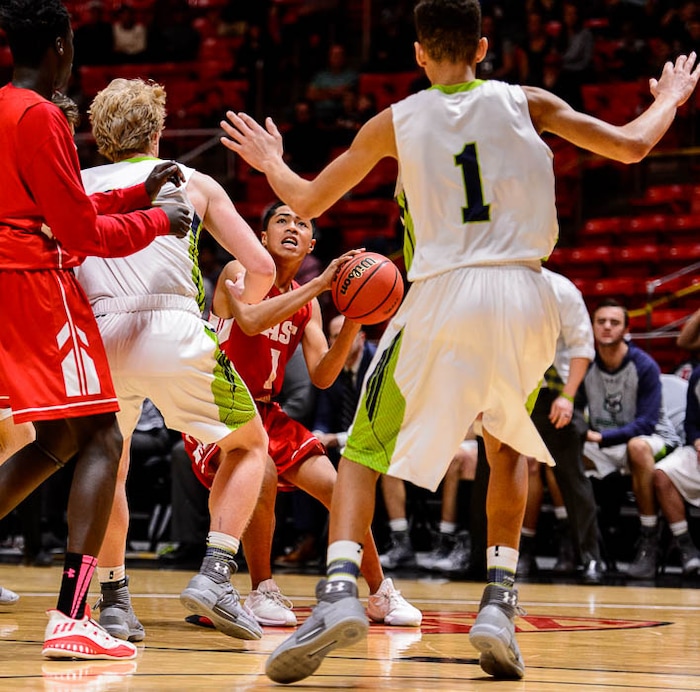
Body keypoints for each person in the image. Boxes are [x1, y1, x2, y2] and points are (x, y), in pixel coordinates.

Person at [219, 0, 700, 681]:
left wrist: (271, 159)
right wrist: (673, 96)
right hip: (524, 294)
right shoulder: (527, 100)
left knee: (361, 448)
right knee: (510, 447)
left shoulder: (396, 120)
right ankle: (499, 605)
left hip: (442, 291)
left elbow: (307, 196)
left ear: (418, 54)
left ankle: (336, 594)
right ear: (481, 48)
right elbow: (632, 145)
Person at [0, 0, 191, 661]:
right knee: (104, 433)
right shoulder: (43, 114)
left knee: (57, 441)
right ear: (59, 44)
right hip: (34, 282)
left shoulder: (2, 107)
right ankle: (70, 617)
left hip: (7, 276)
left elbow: (62, 205)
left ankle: (74, 613)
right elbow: (76, 235)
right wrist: (160, 222)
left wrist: (136, 197)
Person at [75, 77, 276, 643]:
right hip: (174, 327)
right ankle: (215, 574)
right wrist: (229, 317)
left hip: (99, 337)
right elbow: (258, 268)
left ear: (99, 134)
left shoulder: (75, 186)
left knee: (108, 468)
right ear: (159, 132)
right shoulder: (193, 181)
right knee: (249, 445)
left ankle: (113, 601)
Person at [185, 201, 421, 628]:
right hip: (216, 405)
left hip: (267, 412)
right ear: (261, 238)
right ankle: (261, 590)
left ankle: (380, 593)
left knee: (340, 485)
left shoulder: (308, 308)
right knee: (264, 473)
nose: (292, 226)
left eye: (302, 223)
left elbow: (324, 375)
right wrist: (320, 285)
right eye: (281, 220)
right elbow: (252, 321)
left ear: (312, 243)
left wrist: (353, 318)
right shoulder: (239, 270)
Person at [580, 299, 682, 579]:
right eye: (601, 321)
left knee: (637, 447)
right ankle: (579, 542)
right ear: (592, 327)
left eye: (614, 322)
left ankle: (649, 538)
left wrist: (600, 436)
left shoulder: (643, 365)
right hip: (606, 441)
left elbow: (647, 423)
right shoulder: (585, 364)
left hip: (653, 440)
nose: (607, 327)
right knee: (561, 453)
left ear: (626, 329)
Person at [518, 267, 605, 585]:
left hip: (559, 391)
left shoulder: (561, 288)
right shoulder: (502, 285)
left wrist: (568, 396)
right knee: (505, 469)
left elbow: (583, 345)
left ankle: (591, 557)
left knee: (571, 476)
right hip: (517, 389)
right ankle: (497, 556)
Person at [653, 363, 700, 576]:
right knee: (662, 474)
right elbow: (691, 423)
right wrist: (697, 441)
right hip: (697, 451)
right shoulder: (697, 375)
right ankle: (686, 546)